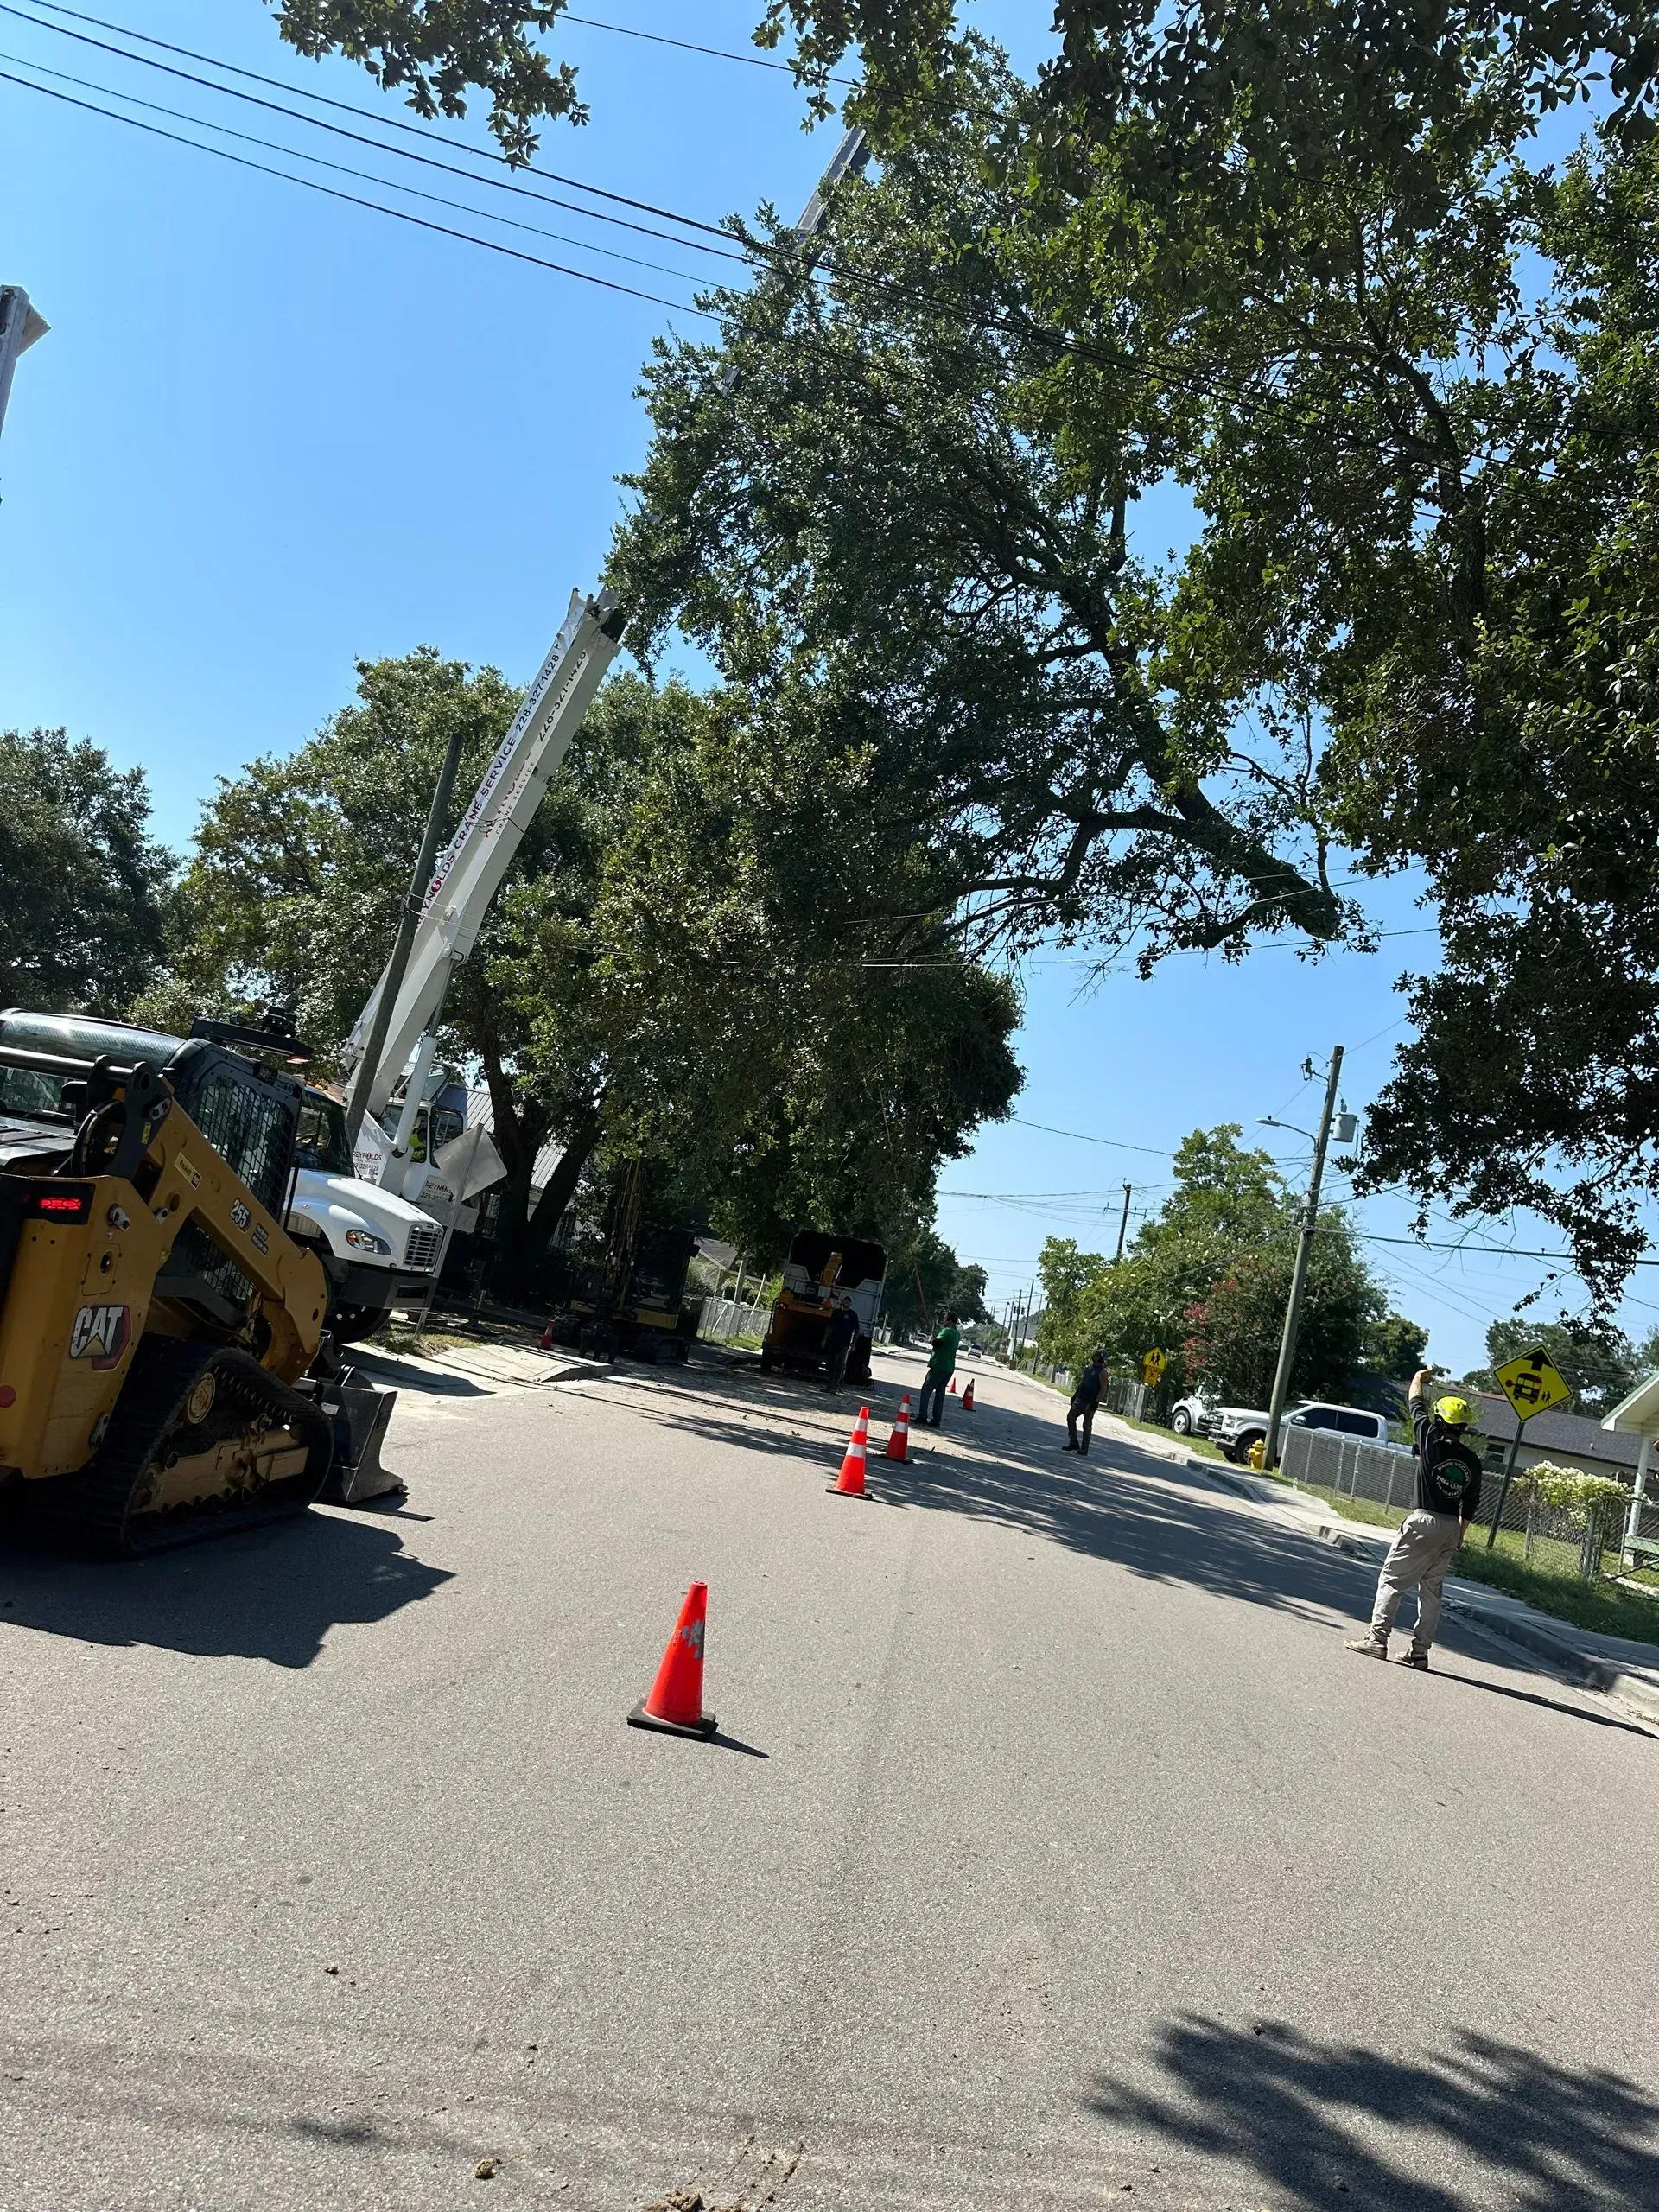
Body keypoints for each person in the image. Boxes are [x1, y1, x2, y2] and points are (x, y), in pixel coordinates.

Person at [1345, 1367, 1483, 1669]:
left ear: (1439, 1420)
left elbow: (1415, 1404)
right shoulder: (1473, 1461)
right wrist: (1459, 1535)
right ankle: (1420, 1652)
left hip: (1423, 1521)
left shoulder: (1430, 1440)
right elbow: (1471, 1502)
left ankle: (1376, 1640)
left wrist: (1419, 1378)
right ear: (1463, 1426)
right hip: (1450, 1526)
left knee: (1392, 1581)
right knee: (1432, 1593)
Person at [918, 1311, 960, 1427]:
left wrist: (931, 1339)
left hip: (939, 1366)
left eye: (945, 1318)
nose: (943, 1321)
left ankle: (922, 1416)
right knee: (940, 1394)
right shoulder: (956, 1333)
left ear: (949, 1320)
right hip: (949, 1368)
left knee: (926, 1389)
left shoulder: (947, 1331)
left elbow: (937, 1343)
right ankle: (936, 1419)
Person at [1065, 1350, 1107, 1456]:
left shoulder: (1103, 1373)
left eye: (1097, 1355)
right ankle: (1073, 1442)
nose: (1094, 1356)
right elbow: (1082, 1384)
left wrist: (1096, 1402)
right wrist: (1075, 1396)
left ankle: (1084, 1449)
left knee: (1086, 1424)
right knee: (1070, 1417)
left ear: (1101, 1358)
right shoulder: (1088, 1370)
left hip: (1090, 1402)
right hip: (1080, 1399)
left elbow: (1103, 1389)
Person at [821, 1294, 860, 1394]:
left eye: (849, 1300)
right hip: (833, 1342)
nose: (847, 1302)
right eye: (845, 1300)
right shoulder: (836, 1312)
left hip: (844, 1344)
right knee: (831, 1365)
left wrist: (853, 1344)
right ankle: (829, 1386)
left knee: (840, 1365)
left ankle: (835, 1387)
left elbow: (857, 1330)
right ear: (842, 1301)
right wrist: (825, 1339)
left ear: (851, 1303)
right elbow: (830, 1327)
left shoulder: (853, 1315)